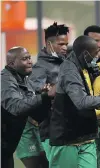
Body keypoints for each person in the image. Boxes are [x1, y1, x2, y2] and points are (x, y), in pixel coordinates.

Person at [48, 35, 100, 168]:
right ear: (85, 54)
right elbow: (81, 102)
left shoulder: (82, 66)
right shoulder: (69, 70)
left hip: (86, 137)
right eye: (94, 55)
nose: (96, 58)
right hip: (67, 140)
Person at [23, 22, 69, 166]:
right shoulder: (40, 68)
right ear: (49, 44)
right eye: (61, 44)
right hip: (51, 131)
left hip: (66, 128)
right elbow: (34, 95)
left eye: (66, 44)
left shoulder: (65, 62)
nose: (65, 48)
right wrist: (45, 91)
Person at [1, 47, 55, 168]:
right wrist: (44, 96)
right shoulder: (5, 80)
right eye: (25, 59)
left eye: (30, 57)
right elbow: (16, 107)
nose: (30, 61)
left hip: (11, 142)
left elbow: (35, 111)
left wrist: (44, 96)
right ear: (12, 63)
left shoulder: (23, 78)